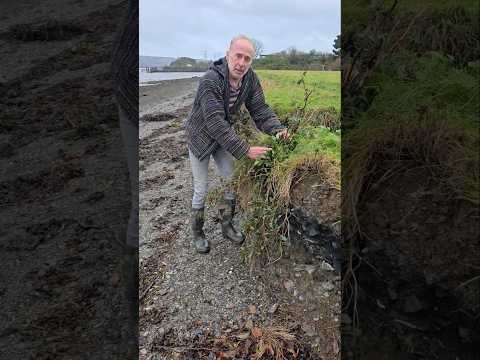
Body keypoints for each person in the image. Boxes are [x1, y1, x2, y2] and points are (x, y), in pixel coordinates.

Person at [184, 35, 290, 254]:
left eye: (247, 58)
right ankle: (198, 233)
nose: (242, 63)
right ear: (228, 55)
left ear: (252, 61)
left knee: (231, 181)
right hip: (200, 137)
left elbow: (260, 109)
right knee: (201, 188)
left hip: (223, 137)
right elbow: (214, 123)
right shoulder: (210, 80)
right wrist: (245, 150)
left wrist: (278, 130)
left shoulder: (250, 79)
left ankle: (227, 225)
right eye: (238, 56)